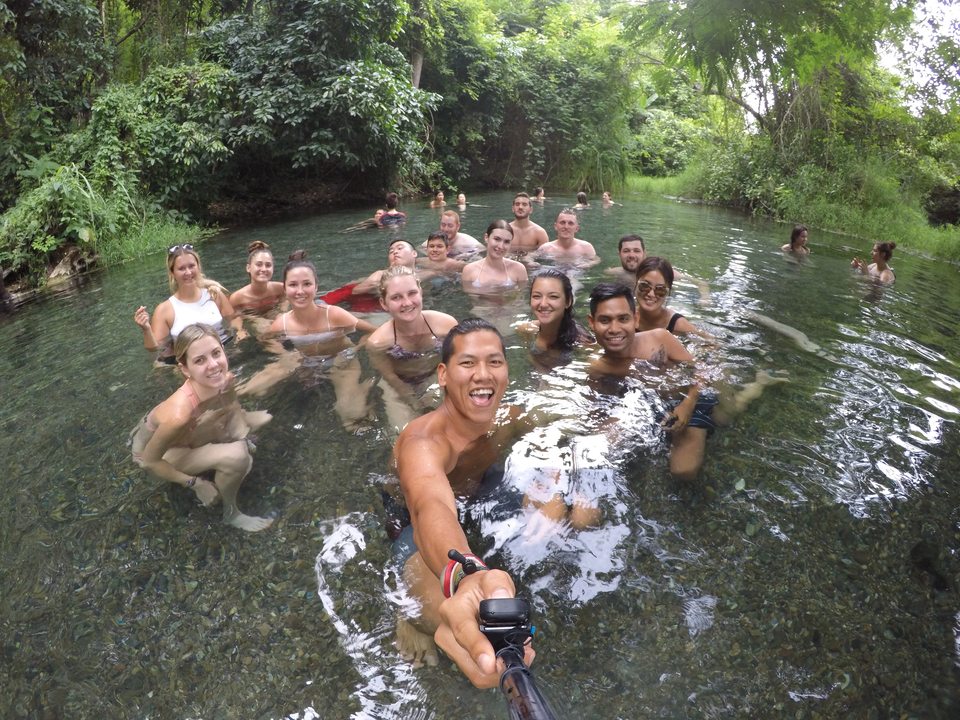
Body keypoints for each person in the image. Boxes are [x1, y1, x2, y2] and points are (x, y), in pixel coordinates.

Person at [391, 319, 536, 687]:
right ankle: (411, 616)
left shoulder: (509, 418)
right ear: (442, 375)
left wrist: (553, 483)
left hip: (482, 492)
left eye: (494, 362)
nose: (482, 374)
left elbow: (554, 433)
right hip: (415, 527)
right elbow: (430, 505)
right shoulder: (423, 441)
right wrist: (466, 573)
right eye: (468, 363)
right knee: (447, 617)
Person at [130, 323, 274, 532]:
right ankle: (232, 514)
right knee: (238, 456)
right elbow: (150, 461)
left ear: (224, 351)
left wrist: (241, 435)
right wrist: (195, 484)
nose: (214, 365)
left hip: (185, 434)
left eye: (216, 353)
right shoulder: (178, 414)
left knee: (262, 418)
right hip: (154, 454)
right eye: (200, 360)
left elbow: (233, 408)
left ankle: (226, 465)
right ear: (185, 369)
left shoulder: (226, 380)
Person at [241, 252, 377, 431]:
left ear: (316, 287)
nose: (300, 291)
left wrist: (353, 351)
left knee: (352, 419)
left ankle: (367, 388)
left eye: (306, 284)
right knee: (251, 389)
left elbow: (375, 332)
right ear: (285, 289)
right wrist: (284, 355)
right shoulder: (282, 322)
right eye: (293, 285)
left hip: (342, 361)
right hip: (304, 359)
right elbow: (265, 340)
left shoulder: (333, 314)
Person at [587, 283, 710, 481]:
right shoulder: (597, 366)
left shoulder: (658, 338)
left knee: (683, 472)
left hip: (689, 402)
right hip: (650, 407)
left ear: (635, 319)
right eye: (605, 320)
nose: (614, 329)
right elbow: (598, 406)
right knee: (599, 447)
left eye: (623, 319)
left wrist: (688, 404)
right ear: (591, 323)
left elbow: (703, 370)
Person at [366, 266, 458, 434]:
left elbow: (457, 362)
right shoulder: (378, 342)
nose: (407, 303)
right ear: (383, 303)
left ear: (421, 293)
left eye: (412, 293)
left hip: (435, 376)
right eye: (396, 297)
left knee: (453, 425)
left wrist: (438, 386)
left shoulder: (446, 325)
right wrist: (412, 400)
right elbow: (390, 376)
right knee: (405, 434)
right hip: (398, 384)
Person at [134, 244, 246, 363]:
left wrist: (240, 330)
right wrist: (146, 329)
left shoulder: (214, 295)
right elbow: (155, 348)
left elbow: (233, 318)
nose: (188, 272)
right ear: (173, 273)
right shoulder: (165, 310)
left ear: (198, 267)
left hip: (222, 350)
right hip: (188, 361)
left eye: (192, 266)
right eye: (181, 268)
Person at [518, 268, 594, 358]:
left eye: (553, 296)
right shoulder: (526, 330)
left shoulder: (584, 342)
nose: (543, 304)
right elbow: (530, 359)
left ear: (568, 302)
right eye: (536, 296)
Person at [634, 256, 710, 338]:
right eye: (645, 286)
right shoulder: (626, 314)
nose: (651, 294)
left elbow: (715, 344)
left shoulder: (677, 324)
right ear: (635, 284)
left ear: (668, 292)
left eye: (660, 290)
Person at [461, 220, 528, 291]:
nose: (501, 246)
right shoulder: (469, 270)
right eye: (497, 239)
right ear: (486, 237)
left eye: (507, 242)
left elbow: (521, 299)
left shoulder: (519, 270)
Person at [229, 241, 286, 317]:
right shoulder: (237, 298)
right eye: (258, 265)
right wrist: (255, 321)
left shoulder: (281, 289)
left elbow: (283, 310)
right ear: (248, 268)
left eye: (268, 265)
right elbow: (235, 320)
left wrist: (279, 315)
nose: (264, 269)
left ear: (273, 269)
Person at [352, 238, 421, 295]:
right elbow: (356, 291)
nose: (395, 252)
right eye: (391, 251)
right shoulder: (380, 275)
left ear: (414, 253)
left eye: (400, 248)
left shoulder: (428, 274)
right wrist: (387, 278)